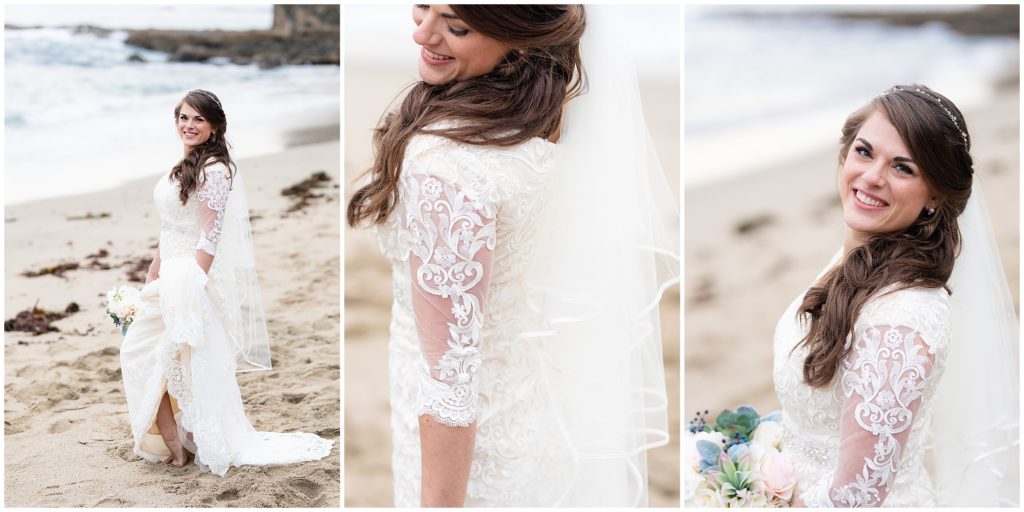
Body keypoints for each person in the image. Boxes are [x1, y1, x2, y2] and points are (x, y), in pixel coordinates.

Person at [346, 5, 678, 507]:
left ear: (519, 37)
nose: (423, 32)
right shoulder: (550, 111)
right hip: (545, 419)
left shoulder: (446, 166)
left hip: (474, 460)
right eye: (423, 5)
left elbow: (449, 386)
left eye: (456, 26)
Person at [773, 85, 1019, 507]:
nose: (872, 177)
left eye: (902, 168)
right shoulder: (857, 258)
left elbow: (858, 495)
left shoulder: (902, 319)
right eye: (864, 152)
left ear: (935, 196)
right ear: (845, 152)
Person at [119, 89, 333, 476]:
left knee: (161, 354)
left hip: (190, 276)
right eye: (184, 118)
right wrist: (154, 270)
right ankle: (173, 438)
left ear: (214, 125)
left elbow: (210, 235)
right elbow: (170, 227)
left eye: (198, 119)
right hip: (169, 270)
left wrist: (194, 283)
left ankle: (177, 441)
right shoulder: (184, 162)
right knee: (147, 353)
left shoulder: (215, 169)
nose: (189, 125)